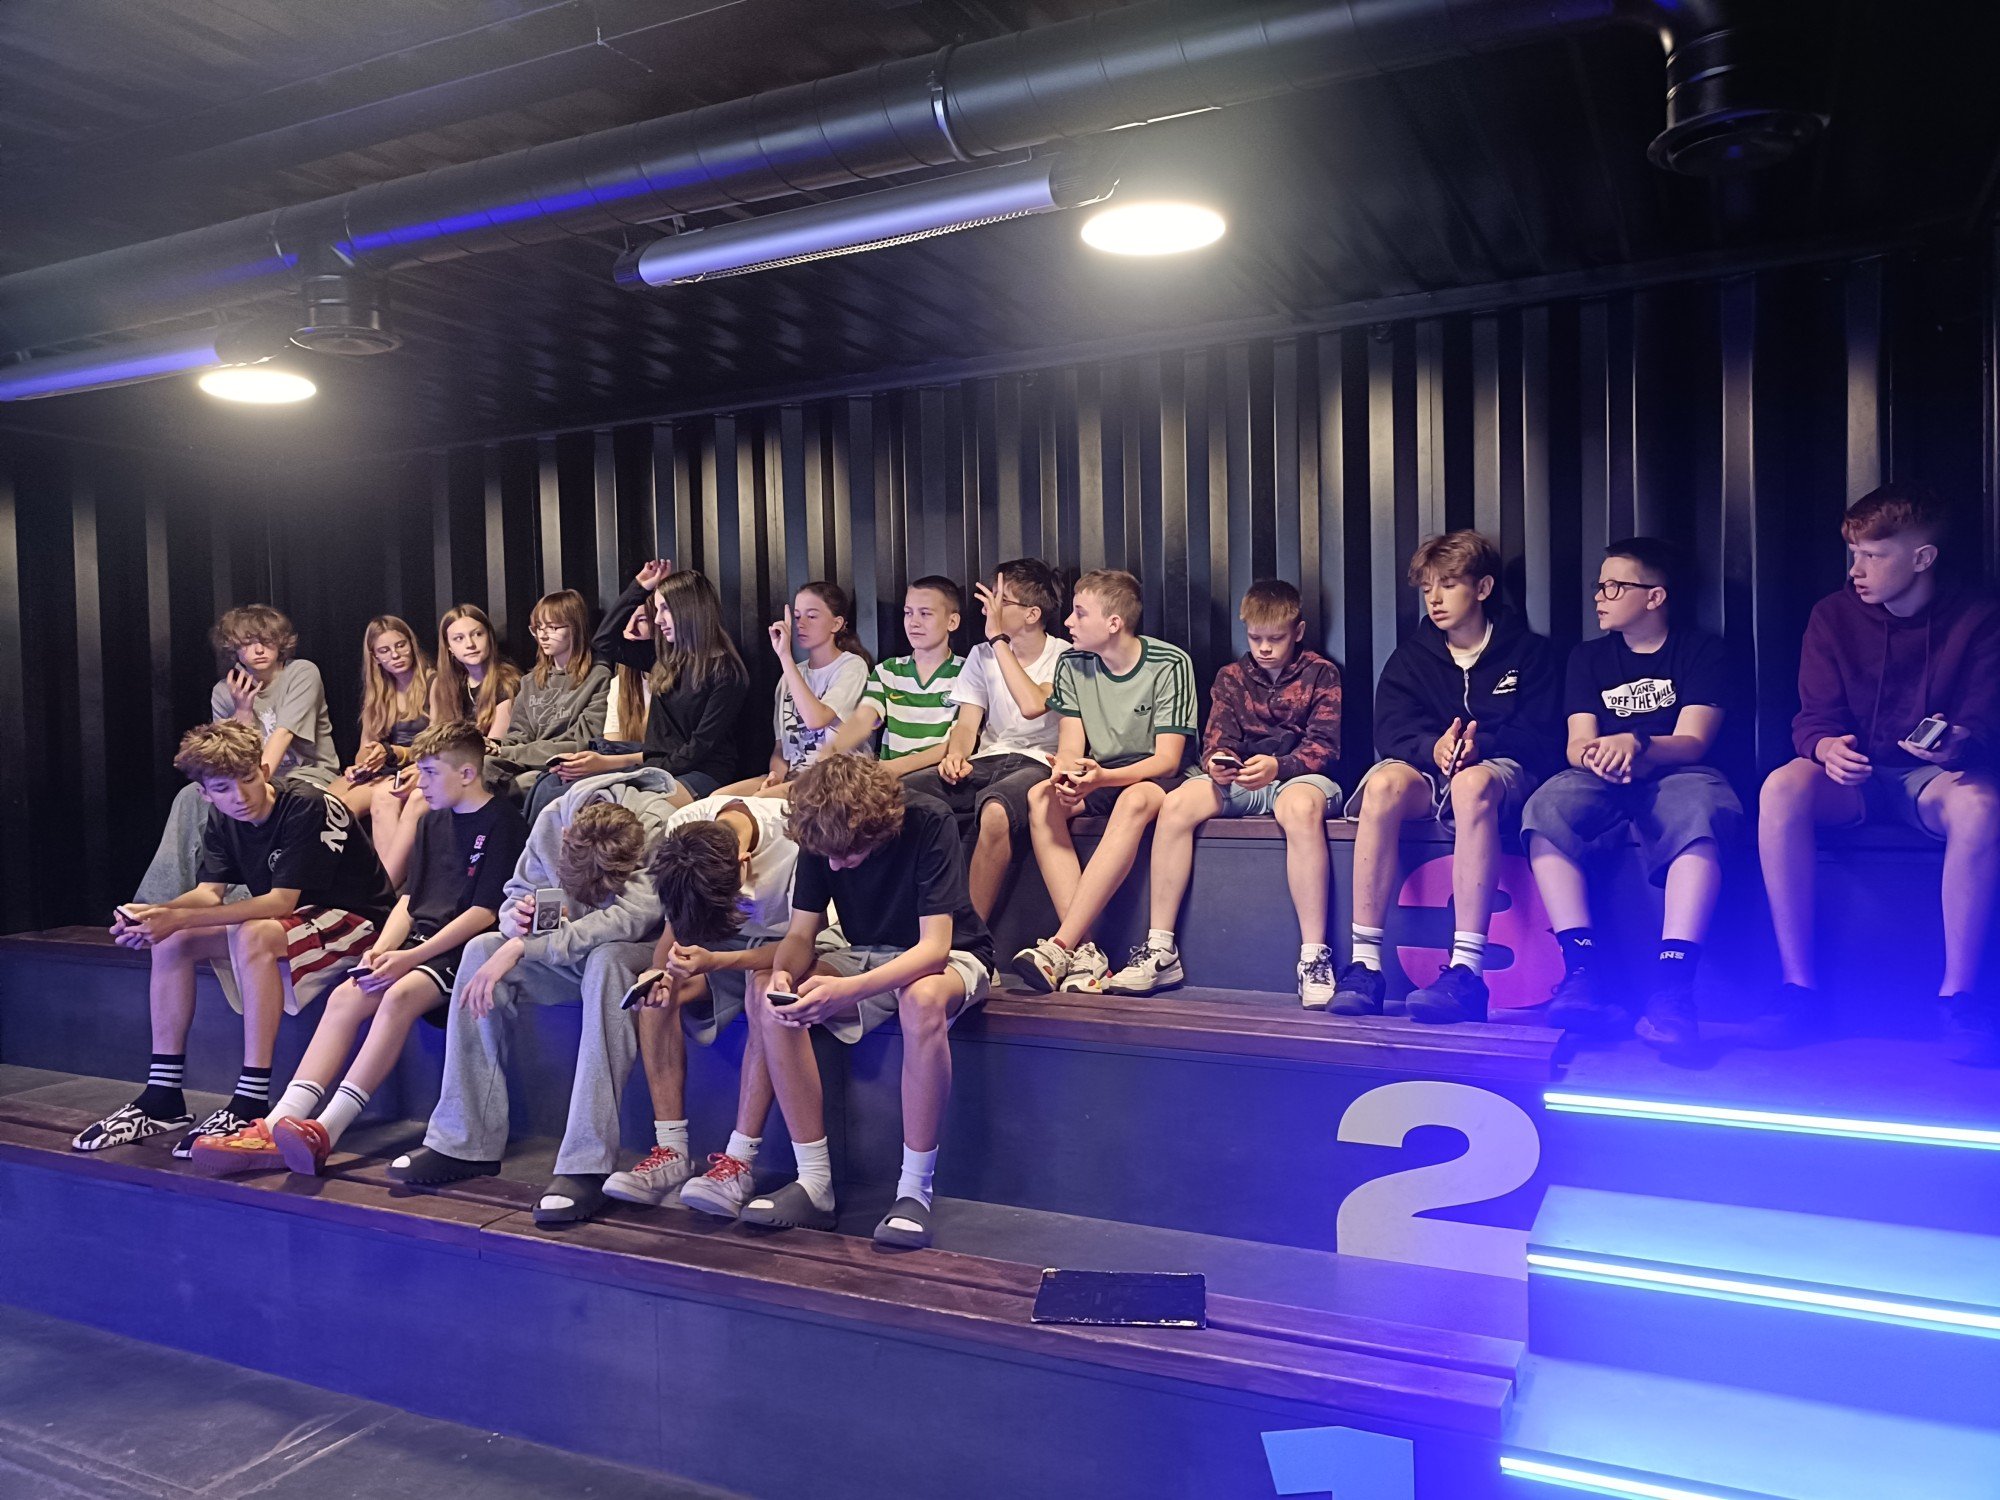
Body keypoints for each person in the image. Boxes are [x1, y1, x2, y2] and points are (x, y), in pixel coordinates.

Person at [184, 721, 528, 1174]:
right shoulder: (431, 820)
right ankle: (276, 1123)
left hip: (466, 950)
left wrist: (410, 957)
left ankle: (327, 1129)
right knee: (348, 994)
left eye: (428, 773)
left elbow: (484, 913)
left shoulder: (503, 822)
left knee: (399, 995)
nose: (420, 784)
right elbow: (408, 899)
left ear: (466, 774)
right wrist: (382, 949)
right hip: (416, 945)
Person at [1756, 483, 2000, 1061]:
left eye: (1873, 555)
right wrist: (1825, 748)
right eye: (1854, 553)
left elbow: (1984, 721)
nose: (1857, 569)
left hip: (1933, 779)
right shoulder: (1833, 615)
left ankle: (1958, 1001)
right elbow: (1812, 718)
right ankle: (1797, 990)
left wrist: (1959, 742)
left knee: (1982, 806)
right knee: (1781, 786)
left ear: (1923, 558)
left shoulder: (1979, 617)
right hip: (1855, 779)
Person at [77, 720, 394, 1157]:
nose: (240, 797)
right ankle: (163, 1097)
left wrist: (178, 918)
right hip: (295, 922)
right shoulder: (221, 818)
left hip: (359, 921)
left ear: (264, 770)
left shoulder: (305, 804)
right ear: (205, 794)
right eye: (223, 789)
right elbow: (209, 893)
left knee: (253, 935)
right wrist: (156, 915)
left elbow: (280, 902)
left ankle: (250, 1098)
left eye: (247, 779)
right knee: (173, 941)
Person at [387, 772, 679, 1224]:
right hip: (563, 947)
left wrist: (527, 948)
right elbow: (516, 895)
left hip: (641, 951)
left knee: (607, 963)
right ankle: (463, 1141)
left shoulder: (658, 822)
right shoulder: (554, 816)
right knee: (480, 949)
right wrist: (516, 921)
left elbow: (634, 918)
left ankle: (586, 1163)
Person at [738, 756, 995, 1249]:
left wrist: (848, 990)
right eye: (827, 857)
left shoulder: (929, 819)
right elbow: (801, 935)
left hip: (950, 954)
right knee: (770, 993)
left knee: (921, 1000)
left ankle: (914, 1192)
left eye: (847, 856)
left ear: (877, 830)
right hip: (863, 952)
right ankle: (814, 1183)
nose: (835, 866)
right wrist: (786, 973)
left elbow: (933, 949)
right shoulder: (821, 829)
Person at [1520, 540, 1741, 1059]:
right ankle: (1582, 972)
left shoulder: (1701, 651)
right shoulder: (1588, 657)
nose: (1600, 596)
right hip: (1601, 775)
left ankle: (1673, 990)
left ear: (1654, 596)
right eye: (1599, 586)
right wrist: (1599, 757)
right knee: (1545, 807)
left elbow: (1693, 740)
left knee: (1703, 813)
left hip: (1677, 770)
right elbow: (1576, 743)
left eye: (1615, 586)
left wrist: (1637, 743)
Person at [1330, 531, 1560, 1025]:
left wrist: (1481, 747)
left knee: (1470, 784)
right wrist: (1431, 748)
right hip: (1427, 769)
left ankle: (1466, 973)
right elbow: (1390, 729)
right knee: (1382, 786)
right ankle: (1365, 967)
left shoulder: (1529, 653)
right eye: (1427, 587)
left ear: (1482, 588)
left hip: (1498, 770)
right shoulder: (1413, 656)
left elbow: (1542, 734)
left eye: (1448, 584)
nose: (1434, 599)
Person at [1105, 580, 1343, 1007]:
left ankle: (1314, 957)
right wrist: (1219, 761)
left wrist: (1280, 767)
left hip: (1300, 779)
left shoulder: (1321, 672)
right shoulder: (1231, 677)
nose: (1264, 648)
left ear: (1299, 631)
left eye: (1276, 638)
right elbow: (1217, 740)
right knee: (1176, 803)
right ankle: (1161, 950)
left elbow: (1324, 747)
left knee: (1299, 807)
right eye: (1255, 637)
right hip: (1242, 780)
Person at [601, 793, 821, 1217]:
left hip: (785, 950)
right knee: (656, 995)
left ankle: (739, 1163)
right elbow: (675, 931)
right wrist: (660, 973)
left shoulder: (795, 835)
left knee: (763, 993)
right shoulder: (682, 831)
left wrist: (717, 960)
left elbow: (804, 942)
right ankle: (671, 1153)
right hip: (714, 949)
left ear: (744, 861)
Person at [1012, 569, 1197, 993]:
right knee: (1041, 796)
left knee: (1134, 800)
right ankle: (1087, 953)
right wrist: (1067, 773)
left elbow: (1167, 761)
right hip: (1101, 774)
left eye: (1080, 613)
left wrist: (1102, 778)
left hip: (1155, 778)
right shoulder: (1072, 664)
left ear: (1114, 623)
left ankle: (1061, 943)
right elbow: (1071, 744)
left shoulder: (1170, 663)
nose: (1068, 622)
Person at [132, 604, 340, 904]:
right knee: (190, 797)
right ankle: (154, 904)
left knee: (250, 798)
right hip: (250, 775)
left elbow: (283, 734)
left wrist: (259, 781)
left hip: (307, 775)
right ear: (234, 650)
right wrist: (242, 711)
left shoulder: (301, 672)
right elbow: (228, 756)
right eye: (247, 643)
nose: (259, 650)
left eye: (266, 640)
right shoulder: (223, 691)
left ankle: (241, 901)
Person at [905, 559, 1069, 919]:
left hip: (1038, 763)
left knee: (996, 811)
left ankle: (971, 937)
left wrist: (998, 640)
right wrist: (957, 755)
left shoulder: (1064, 656)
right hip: (987, 759)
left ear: (1032, 614)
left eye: (1000, 600)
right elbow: (967, 725)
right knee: (895, 796)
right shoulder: (981, 655)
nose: (987, 608)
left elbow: (1032, 704)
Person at [527, 562, 672, 827]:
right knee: (548, 784)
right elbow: (612, 743)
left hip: (649, 764)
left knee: (563, 790)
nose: (629, 630)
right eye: (626, 621)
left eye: (641, 620)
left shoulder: (671, 675)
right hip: (621, 759)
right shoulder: (621, 683)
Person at [719, 581, 870, 795]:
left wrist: (785, 656)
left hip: (837, 778)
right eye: (797, 616)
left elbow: (817, 719)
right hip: (794, 778)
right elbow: (781, 749)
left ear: (836, 624)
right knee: (717, 799)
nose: (801, 624)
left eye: (812, 616)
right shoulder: (789, 676)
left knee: (758, 800)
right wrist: (775, 776)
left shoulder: (852, 666)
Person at [330, 615, 435, 885]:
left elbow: (440, 742)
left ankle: (383, 884)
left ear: (411, 644)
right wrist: (362, 765)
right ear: (375, 657)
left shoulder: (433, 682)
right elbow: (364, 749)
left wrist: (390, 752)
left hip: (417, 764)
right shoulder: (378, 691)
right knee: (327, 800)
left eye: (400, 645)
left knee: (346, 808)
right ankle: (326, 880)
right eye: (385, 651)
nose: (395, 655)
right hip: (385, 766)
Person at [823, 576, 965, 776]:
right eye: (908, 613)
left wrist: (896, 767)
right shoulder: (888, 670)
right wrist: (829, 752)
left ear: (952, 621)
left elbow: (962, 739)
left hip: (939, 777)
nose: (914, 622)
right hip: (888, 779)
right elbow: (862, 720)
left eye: (925, 614)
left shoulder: (967, 672)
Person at [483, 589, 612, 801]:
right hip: (525, 762)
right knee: (474, 768)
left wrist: (507, 753)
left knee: (503, 783)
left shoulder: (598, 677)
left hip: (562, 767)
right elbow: (519, 735)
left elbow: (582, 743)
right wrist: (495, 746)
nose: (543, 636)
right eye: (538, 628)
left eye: (553, 628)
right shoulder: (531, 681)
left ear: (575, 628)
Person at [638, 568, 751, 796]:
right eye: (657, 610)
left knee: (644, 803)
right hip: (664, 768)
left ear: (689, 610)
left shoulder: (727, 673)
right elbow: (605, 641)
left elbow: (702, 744)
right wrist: (639, 588)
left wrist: (653, 773)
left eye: (665, 608)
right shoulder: (667, 661)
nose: (658, 620)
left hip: (704, 772)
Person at [430, 602, 521, 741]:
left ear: (489, 637)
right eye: (459, 638)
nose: (470, 644)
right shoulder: (441, 684)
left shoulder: (508, 683)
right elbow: (432, 740)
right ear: (449, 647)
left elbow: (493, 746)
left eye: (477, 634)